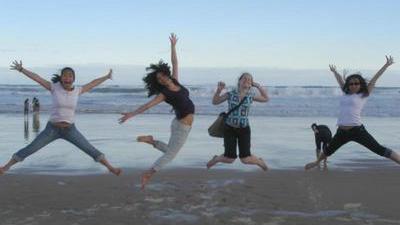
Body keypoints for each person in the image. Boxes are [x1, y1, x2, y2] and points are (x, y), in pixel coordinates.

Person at [0, 61, 121, 176]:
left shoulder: (78, 90)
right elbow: (37, 78)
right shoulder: (54, 87)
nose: (67, 78)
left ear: (73, 78)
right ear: (61, 78)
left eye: (70, 76)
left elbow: (93, 83)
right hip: (52, 129)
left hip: (70, 130)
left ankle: (111, 168)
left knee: (89, 149)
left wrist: (106, 77)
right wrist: (22, 69)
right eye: (65, 76)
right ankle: (6, 167)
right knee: (32, 148)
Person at [119, 33, 194, 190]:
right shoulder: (164, 94)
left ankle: (150, 140)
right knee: (170, 155)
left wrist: (173, 46)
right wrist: (130, 114)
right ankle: (149, 173)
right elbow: (147, 106)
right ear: (158, 83)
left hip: (181, 124)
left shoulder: (175, 81)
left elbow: (175, 63)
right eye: (159, 79)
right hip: (181, 126)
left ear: (166, 74)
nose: (162, 79)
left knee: (169, 151)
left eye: (163, 76)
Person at [305, 56, 400, 170]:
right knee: (328, 150)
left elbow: (375, 78)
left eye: (356, 83)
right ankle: (316, 162)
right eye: (351, 84)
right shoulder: (345, 93)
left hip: (357, 131)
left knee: (378, 149)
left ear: (360, 84)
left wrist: (386, 65)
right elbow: (340, 80)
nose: (353, 85)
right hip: (341, 132)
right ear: (348, 85)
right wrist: (335, 72)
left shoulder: (363, 95)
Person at [206, 73, 269, 171]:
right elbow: (215, 102)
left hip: (244, 129)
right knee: (229, 159)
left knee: (245, 159)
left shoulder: (251, 96)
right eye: (244, 78)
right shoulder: (230, 94)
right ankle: (216, 159)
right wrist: (218, 90)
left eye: (249, 79)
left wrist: (258, 86)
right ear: (239, 81)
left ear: (251, 83)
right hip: (229, 128)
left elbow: (266, 99)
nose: (247, 80)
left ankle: (260, 162)